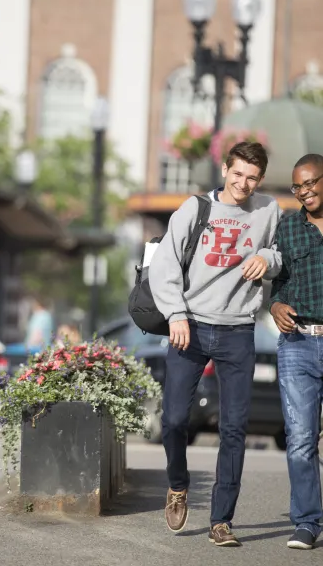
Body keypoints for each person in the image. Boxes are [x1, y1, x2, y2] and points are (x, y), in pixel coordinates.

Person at [149, 142, 282, 547]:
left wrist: (268, 260)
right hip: (190, 326)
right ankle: (177, 484)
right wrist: (175, 314)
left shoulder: (268, 210)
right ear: (225, 168)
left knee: (234, 428)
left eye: (252, 177)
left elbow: (280, 252)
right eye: (237, 173)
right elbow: (165, 265)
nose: (243, 183)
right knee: (173, 420)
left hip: (238, 329)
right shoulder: (194, 209)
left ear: (260, 179)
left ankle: (221, 520)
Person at [270, 153, 323, 550]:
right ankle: (307, 522)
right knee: (301, 439)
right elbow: (279, 283)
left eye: (311, 183)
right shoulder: (288, 230)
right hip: (298, 344)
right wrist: (275, 306)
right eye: (298, 187)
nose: (305, 192)